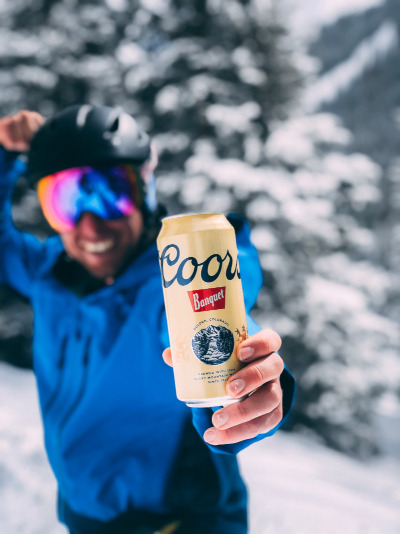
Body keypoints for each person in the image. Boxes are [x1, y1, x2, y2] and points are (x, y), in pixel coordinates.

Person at [0, 106, 295, 534]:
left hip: (183, 523)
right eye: (64, 200)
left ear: (144, 192)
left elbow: (214, 301)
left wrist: (244, 390)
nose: (89, 223)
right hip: (86, 519)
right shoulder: (49, 275)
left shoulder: (170, 285)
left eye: (110, 192)